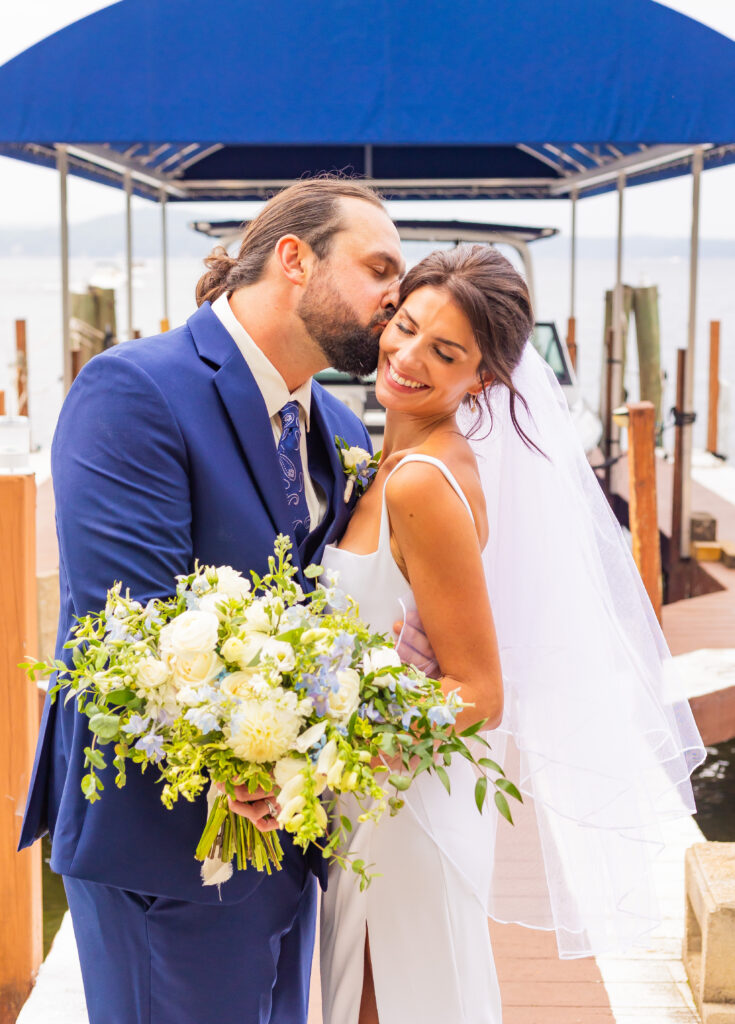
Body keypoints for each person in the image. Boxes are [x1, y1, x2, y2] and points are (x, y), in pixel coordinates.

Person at [18, 175, 409, 1024]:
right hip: (162, 841)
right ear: (295, 259)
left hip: (290, 835)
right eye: (380, 268)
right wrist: (242, 764)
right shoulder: (135, 390)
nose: (396, 296)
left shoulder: (338, 431)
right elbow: (130, 626)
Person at [316, 244, 705, 1024]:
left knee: (384, 998)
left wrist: (349, 740)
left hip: (398, 803)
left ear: (482, 379)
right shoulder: (395, 461)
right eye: (407, 325)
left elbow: (480, 692)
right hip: (368, 795)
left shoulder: (423, 480)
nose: (407, 355)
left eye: (446, 351)